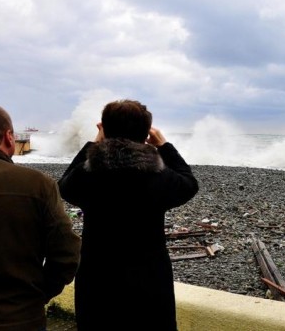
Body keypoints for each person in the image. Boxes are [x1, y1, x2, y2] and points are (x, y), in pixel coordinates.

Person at [58, 99, 199, 330]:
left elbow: (65, 185)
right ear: (146, 136)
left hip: (98, 280)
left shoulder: (89, 176)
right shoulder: (158, 177)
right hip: (149, 281)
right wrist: (164, 145)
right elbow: (189, 184)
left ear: (104, 130)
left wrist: (94, 143)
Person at [0, 103, 81, 331]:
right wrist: (40, 293)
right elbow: (67, 253)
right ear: (8, 138)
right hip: (22, 318)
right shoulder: (38, 185)